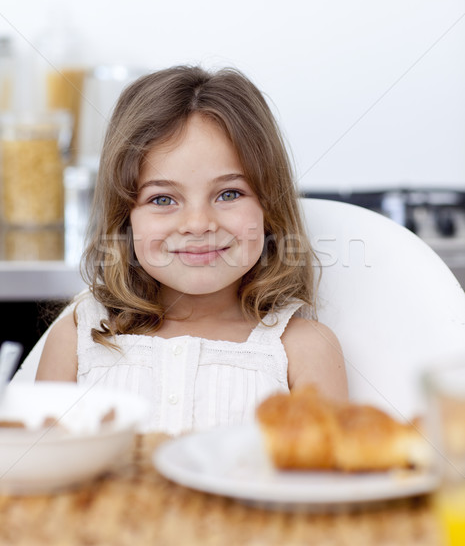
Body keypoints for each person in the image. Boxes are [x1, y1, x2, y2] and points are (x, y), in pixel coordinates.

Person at [36, 65, 348, 434]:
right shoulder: (77, 338)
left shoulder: (304, 350)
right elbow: (38, 474)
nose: (199, 223)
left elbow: (323, 482)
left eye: (229, 193)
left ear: (270, 207)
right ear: (126, 218)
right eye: (163, 198)